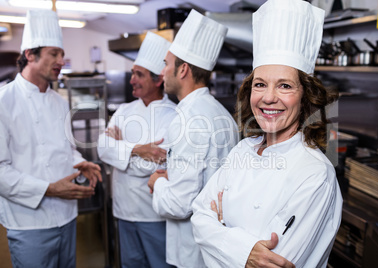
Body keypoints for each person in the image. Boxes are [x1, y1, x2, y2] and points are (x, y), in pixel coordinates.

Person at [191, 0, 343, 267]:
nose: (269, 98)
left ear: (306, 97)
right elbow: (199, 216)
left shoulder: (315, 174)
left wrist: (221, 230)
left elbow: (277, 263)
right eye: (260, 84)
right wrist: (246, 251)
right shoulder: (243, 149)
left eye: (284, 86)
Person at [0, 9, 102, 268]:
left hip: (67, 217)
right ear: (30, 55)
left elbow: (66, 149)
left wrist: (80, 162)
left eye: (62, 54)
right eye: (53, 53)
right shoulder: (4, 101)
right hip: (29, 222)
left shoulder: (59, 102)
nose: (61, 61)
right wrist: (49, 189)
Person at [146, 9, 240, 268]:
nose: (162, 72)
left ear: (183, 69)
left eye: (166, 64)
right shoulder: (221, 114)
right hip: (217, 250)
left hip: (193, 251)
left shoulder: (188, 120)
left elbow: (179, 204)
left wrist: (157, 182)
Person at [97, 31, 176, 268]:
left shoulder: (172, 115)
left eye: (139, 74)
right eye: (132, 73)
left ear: (158, 79)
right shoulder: (123, 110)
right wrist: (137, 150)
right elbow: (102, 147)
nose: (132, 79)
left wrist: (120, 150)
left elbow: (157, 163)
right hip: (123, 211)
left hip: (154, 214)